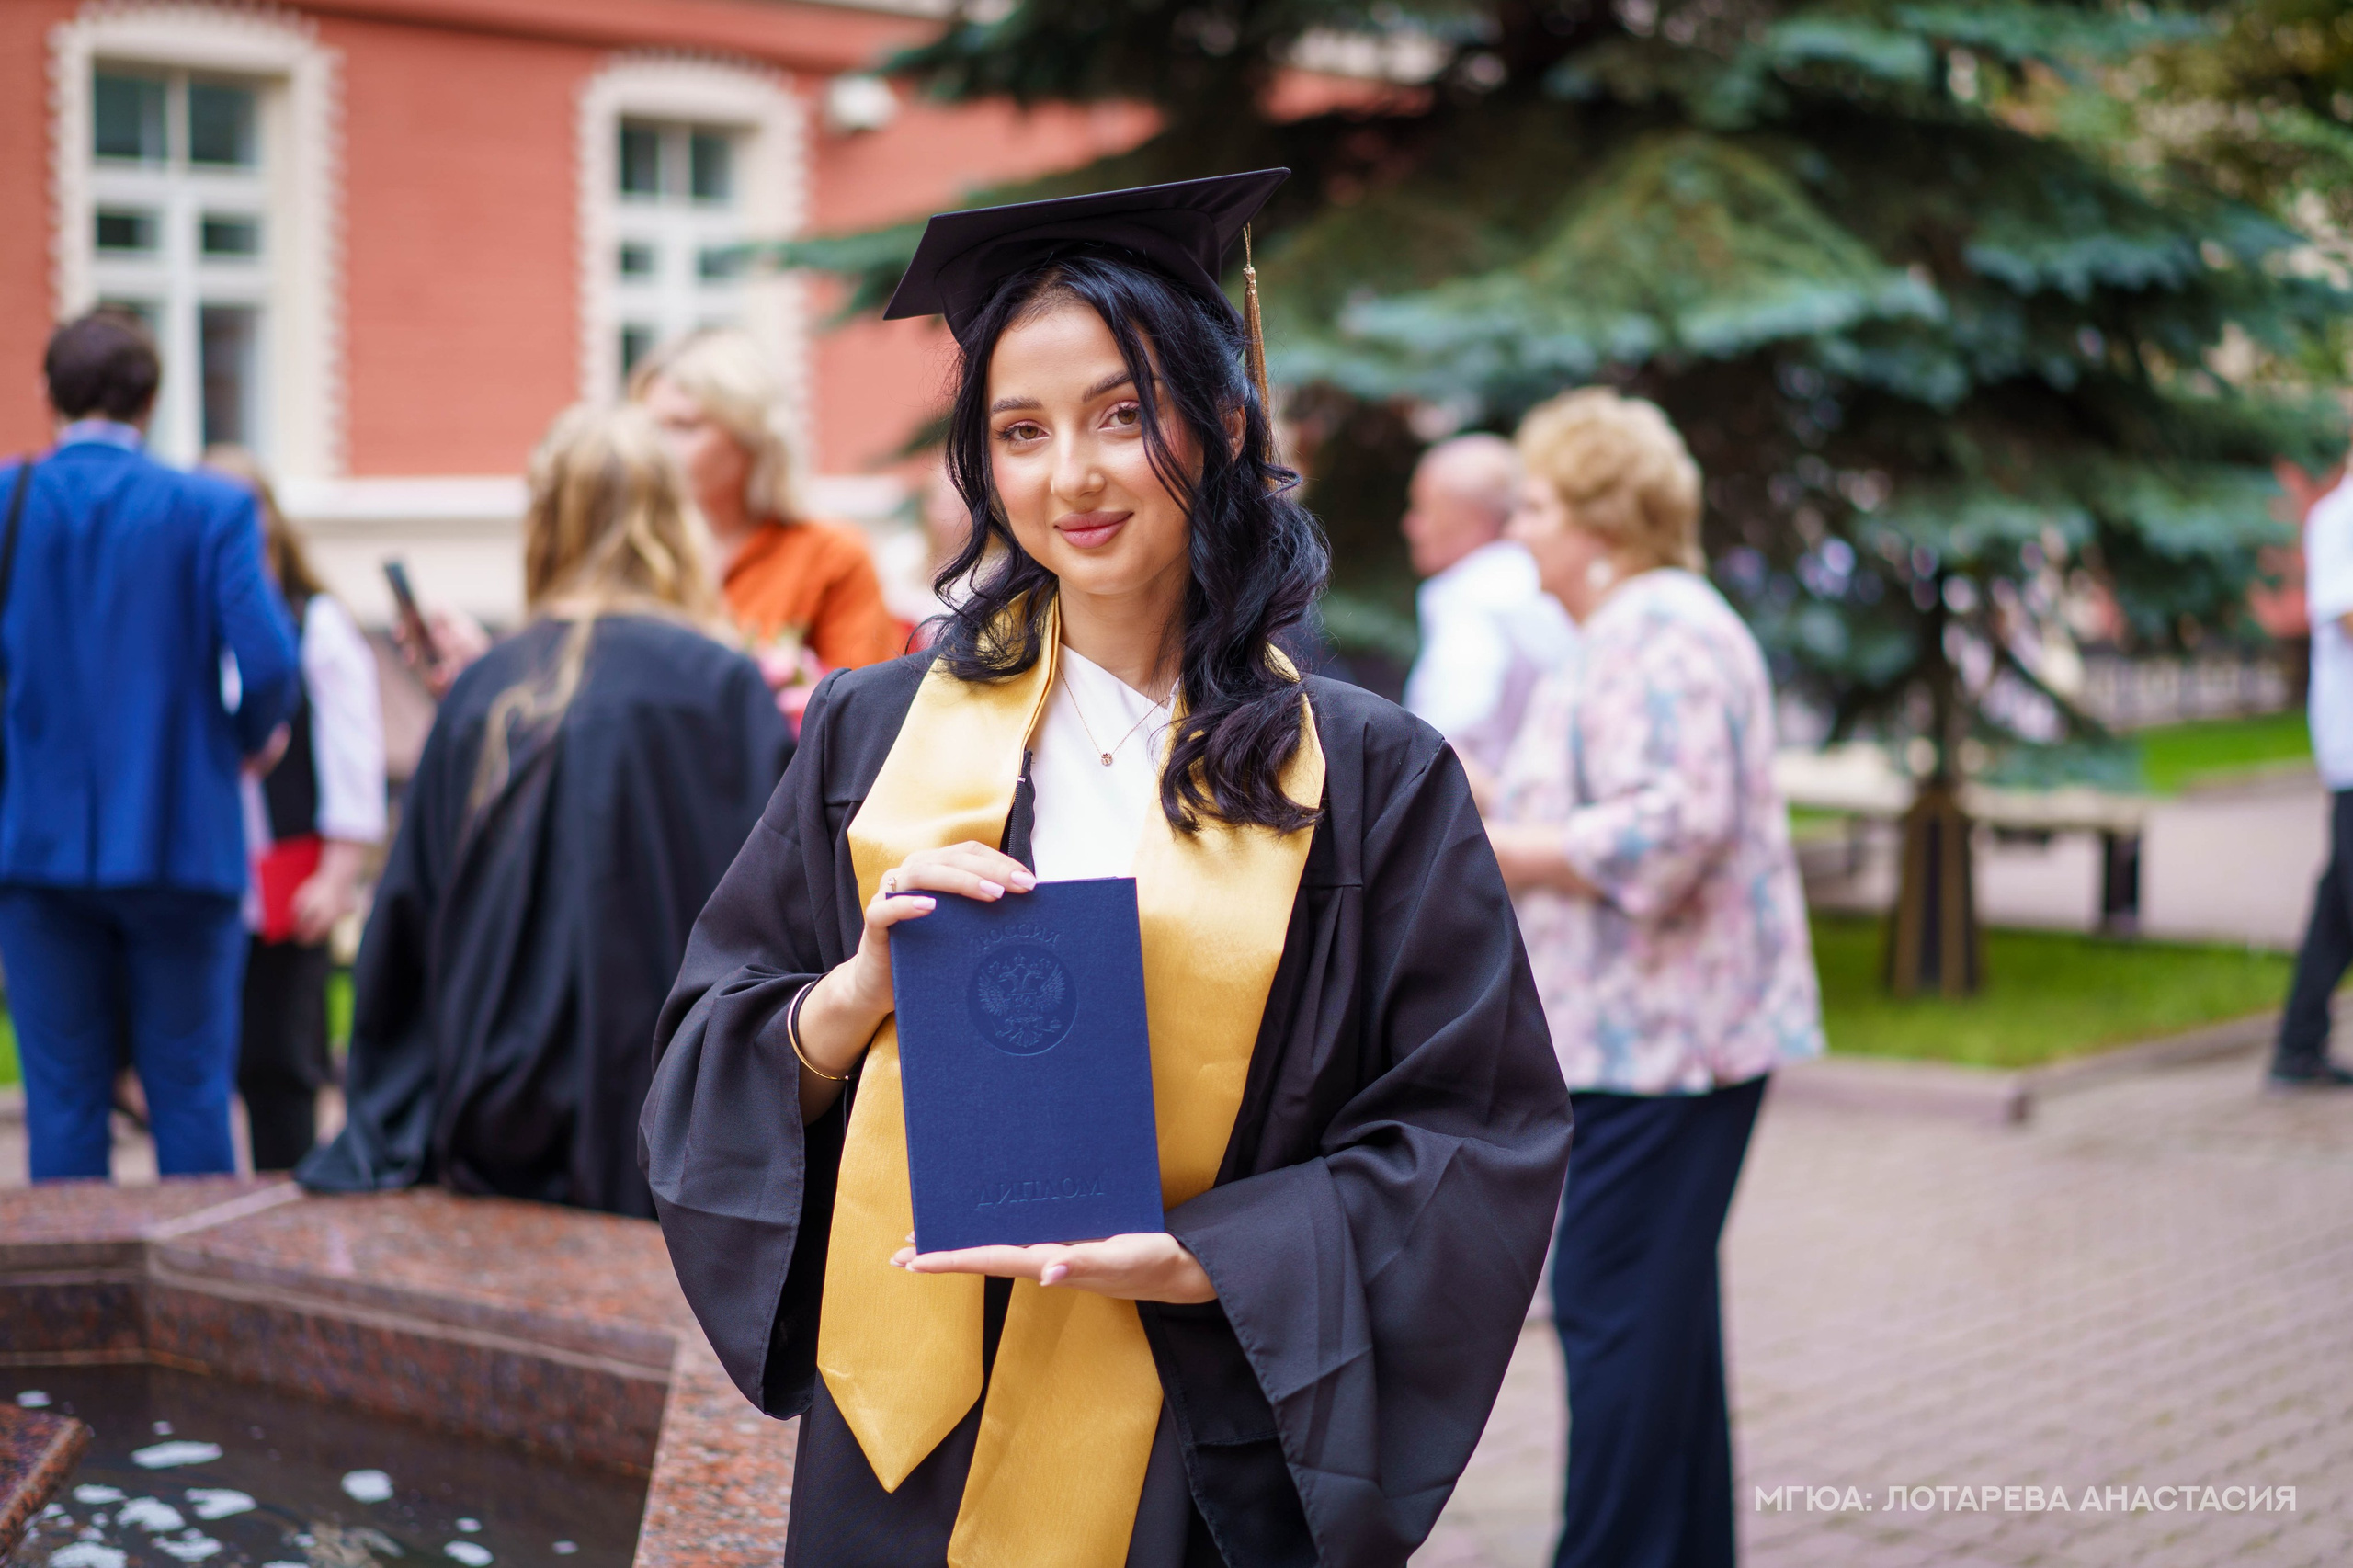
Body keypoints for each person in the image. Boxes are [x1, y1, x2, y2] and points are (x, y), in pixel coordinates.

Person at [642, 172, 1573, 1568]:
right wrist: (849, 996)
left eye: (1122, 417)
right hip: (900, 1443)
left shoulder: (1371, 780)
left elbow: (1471, 1141)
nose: (1068, 475)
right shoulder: (873, 733)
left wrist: (1215, 1256)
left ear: (1227, 425)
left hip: (1187, 1437)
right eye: (1020, 431)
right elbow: (709, 1045)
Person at [1480, 387, 1822, 1568]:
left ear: (1602, 520)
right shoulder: (1637, 626)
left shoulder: (1653, 628)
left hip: (1663, 1046)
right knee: (1656, 1322)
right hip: (1662, 1041)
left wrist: (1502, 844)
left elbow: (1668, 832)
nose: (1515, 528)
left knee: (1615, 1313)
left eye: (1533, 504)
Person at [299, 404, 791, 1216]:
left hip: (498, 1099)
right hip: (674, 1114)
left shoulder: (489, 689)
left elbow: (409, 916)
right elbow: (778, 917)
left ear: (547, 519)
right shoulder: (719, 686)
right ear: (673, 517)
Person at [0, 310, 300, 1181]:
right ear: (154, 400)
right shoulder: (208, 504)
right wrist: (244, 743)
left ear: (46, 394)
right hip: (182, 832)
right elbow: (271, 658)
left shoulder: (9, 498)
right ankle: (195, 1306)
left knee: (63, 1100)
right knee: (192, 1093)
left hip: (36, 847)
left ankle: (73, 1312)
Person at [202, 447, 389, 1171]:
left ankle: (285, 1200)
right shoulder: (194, 620)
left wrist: (338, 876)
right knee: (212, 1056)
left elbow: (352, 757)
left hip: (291, 873)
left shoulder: (316, 623)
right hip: (214, 872)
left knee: (281, 1057)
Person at [633, 328, 902, 716]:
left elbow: (870, 717)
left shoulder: (830, 556)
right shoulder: (629, 550)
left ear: (752, 438)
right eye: (649, 429)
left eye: (684, 426)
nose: (655, 450)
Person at [1399, 432, 1576, 776]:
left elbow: (1443, 735)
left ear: (1470, 518)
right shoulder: (1543, 583)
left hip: (1496, 818)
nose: (1410, 526)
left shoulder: (1468, 595)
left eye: (1422, 509)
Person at [2272, 459, 2353, 1088]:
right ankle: (2296, 1047)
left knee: (2338, 901)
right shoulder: (2339, 517)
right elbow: (2345, 614)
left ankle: (2298, 1045)